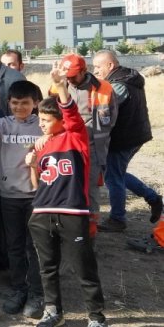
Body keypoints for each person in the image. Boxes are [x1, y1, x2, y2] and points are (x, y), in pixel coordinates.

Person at [25, 63, 108, 327]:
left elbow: (72, 114)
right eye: (40, 121)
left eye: (47, 120)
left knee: (84, 267)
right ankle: (53, 310)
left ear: (60, 119)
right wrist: (33, 164)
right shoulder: (43, 145)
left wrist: (61, 86)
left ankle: (96, 318)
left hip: (72, 212)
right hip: (42, 212)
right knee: (46, 267)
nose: (42, 125)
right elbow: (38, 185)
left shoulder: (77, 137)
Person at [0, 81, 45, 318]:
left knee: (35, 248)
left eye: (25, 103)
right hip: (9, 196)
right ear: (9, 103)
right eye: (15, 103)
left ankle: (36, 292)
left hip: (37, 197)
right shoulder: (1, 124)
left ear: (36, 104)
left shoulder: (43, 127)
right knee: (14, 246)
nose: (20, 107)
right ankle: (18, 289)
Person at [92, 49, 163, 229]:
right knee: (118, 174)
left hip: (123, 139)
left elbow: (103, 113)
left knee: (113, 177)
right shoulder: (127, 78)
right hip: (134, 136)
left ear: (110, 65)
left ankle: (117, 219)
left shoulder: (117, 86)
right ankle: (153, 198)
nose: (95, 71)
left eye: (98, 67)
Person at [50, 53, 116, 222]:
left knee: (91, 187)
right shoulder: (58, 85)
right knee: (67, 184)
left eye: (73, 76)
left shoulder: (104, 88)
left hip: (92, 146)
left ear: (83, 71)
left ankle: (91, 230)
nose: (70, 80)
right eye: (68, 76)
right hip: (67, 144)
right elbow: (50, 111)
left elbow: (112, 119)